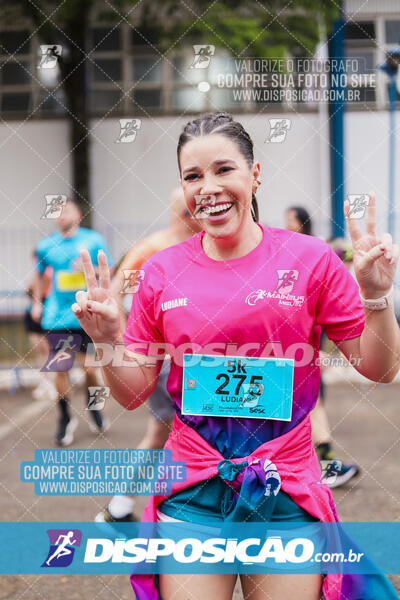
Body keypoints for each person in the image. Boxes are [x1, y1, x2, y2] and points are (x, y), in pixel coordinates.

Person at [72, 112, 400, 600]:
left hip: (284, 484)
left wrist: (375, 296)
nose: (209, 187)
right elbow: (133, 391)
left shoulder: (310, 260)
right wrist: (107, 342)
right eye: (192, 176)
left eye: (224, 169)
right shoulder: (162, 272)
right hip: (193, 490)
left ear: (255, 175)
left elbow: (381, 367)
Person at [95, 188, 202, 524]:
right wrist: (128, 348)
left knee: (166, 433)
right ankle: (133, 508)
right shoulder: (155, 249)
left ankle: (122, 506)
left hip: (189, 360)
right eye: (200, 209)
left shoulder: (196, 247)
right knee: (173, 433)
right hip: (166, 361)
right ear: (186, 214)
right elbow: (114, 295)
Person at [285, 208, 360, 488]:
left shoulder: (316, 252)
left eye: (292, 219)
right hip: (291, 357)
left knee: (315, 408)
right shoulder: (285, 253)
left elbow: (349, 255)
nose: (287, 224)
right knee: (311, 410)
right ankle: (321, 469)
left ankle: (325, 468)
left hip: (306, 354)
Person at [32, 198, 113, 446]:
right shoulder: (46, 246)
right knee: (60, 368)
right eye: (57, 212)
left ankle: (95, 410)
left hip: (86, 313)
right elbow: (38, 275)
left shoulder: (93, 240)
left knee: (90, 369)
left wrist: (92, 272)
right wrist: (37, 302)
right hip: (57, 316)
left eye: (66, 210)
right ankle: (65, 418)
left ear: (78, 214)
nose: (61, 215)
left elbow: (108, 270)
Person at [23, 252, 57, 401]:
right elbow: (31, 290)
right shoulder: (38, 272)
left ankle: (53, 381)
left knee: (49, 350)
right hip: (34, 313)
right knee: (39, 350)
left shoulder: (50, 271)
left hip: (48, 312)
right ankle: (45, 381)